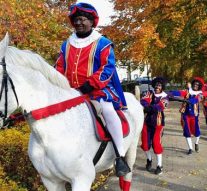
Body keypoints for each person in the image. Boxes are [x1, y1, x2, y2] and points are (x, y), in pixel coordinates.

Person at [55, 2, 130, 177]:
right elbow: (59, 66)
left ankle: (120, 156)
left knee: (108, 110)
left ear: (91, 21)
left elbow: (108, 68)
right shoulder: (66, 44)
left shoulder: (103, 43)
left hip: (97, 89)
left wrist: (90, 84)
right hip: (70, 90)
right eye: (76, 20)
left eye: (82, 19)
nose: (79, 23)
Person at [140, 77, 169, 175]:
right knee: (145, 144)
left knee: (156, 144)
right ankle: (149, 160)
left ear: (162, 87)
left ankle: (159, 165)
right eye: (156, 85)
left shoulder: (165, 96)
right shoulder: (149, 93)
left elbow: (161, 106)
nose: (157, 86)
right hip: (147, 122)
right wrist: (146, 105)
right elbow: (143, 101)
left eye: (159, 85)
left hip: (158, 123)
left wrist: (149, 108)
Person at [169, 77, 204, 154]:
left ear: (199, 86)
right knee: (187, 131)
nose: (196, 85)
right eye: (195, 84)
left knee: (197, 132)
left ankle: (196, 143)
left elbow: (196, 100)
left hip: (194, 115)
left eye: (197, 85)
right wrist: (170, 93)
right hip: (185, 114)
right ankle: (190, 149)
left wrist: (188, 100)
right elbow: (179, 93)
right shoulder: (187, 91)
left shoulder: (200, 94)